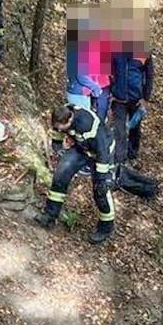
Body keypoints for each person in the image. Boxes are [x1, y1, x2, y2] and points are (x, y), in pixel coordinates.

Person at [34, 103, 117, 245]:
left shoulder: (87, 125)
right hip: (82, 148)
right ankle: (50, 215)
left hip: (101, 152)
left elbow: (103, 152)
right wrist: (57, 145)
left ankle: (106, 227)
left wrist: (102, 177)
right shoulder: (63, 112)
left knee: (100, 191)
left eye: (62, 127)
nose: (59, 129)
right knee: (61, 173)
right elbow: (57, 130)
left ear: (70, 120)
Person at [109, 33, 155, 161]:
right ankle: (120, 160)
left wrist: (145, 98)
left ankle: (132, 155)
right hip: (118, 98)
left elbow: (149, 76)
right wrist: (110, 92)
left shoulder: (144, 51)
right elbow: (108, 71)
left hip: (136, 98)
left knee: (135, 129)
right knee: (120, 130)